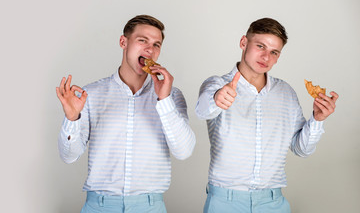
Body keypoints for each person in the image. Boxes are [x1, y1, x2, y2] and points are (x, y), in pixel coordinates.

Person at [195, 18, 338, 213]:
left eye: (274, 52)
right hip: (225, 202)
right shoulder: (217, 84)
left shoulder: (286, 93)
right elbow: (202, 110)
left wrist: (317, 120)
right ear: (243, 43)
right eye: (260, 46)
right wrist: (217, 98)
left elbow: (301, 149)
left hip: (273, 202)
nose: (266, 56)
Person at [56, 15, 196, 213]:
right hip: (99, 206)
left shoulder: (172, 95)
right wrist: (72, 119)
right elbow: (68, 156)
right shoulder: (91, 94)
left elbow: (184, 151)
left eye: (156, 44)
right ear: (123, 42)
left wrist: (164, 100)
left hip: (150, 207)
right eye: (142, 40)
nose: (150, 49)